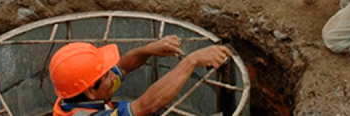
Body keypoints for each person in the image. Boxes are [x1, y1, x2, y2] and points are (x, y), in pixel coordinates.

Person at [49, 39, 231, 116]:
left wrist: (149, 49)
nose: (113, 76)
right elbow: (147, 105)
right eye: (106, 75)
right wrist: (192, 61)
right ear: (90, 91)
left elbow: (123, 67)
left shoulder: (74, 92)